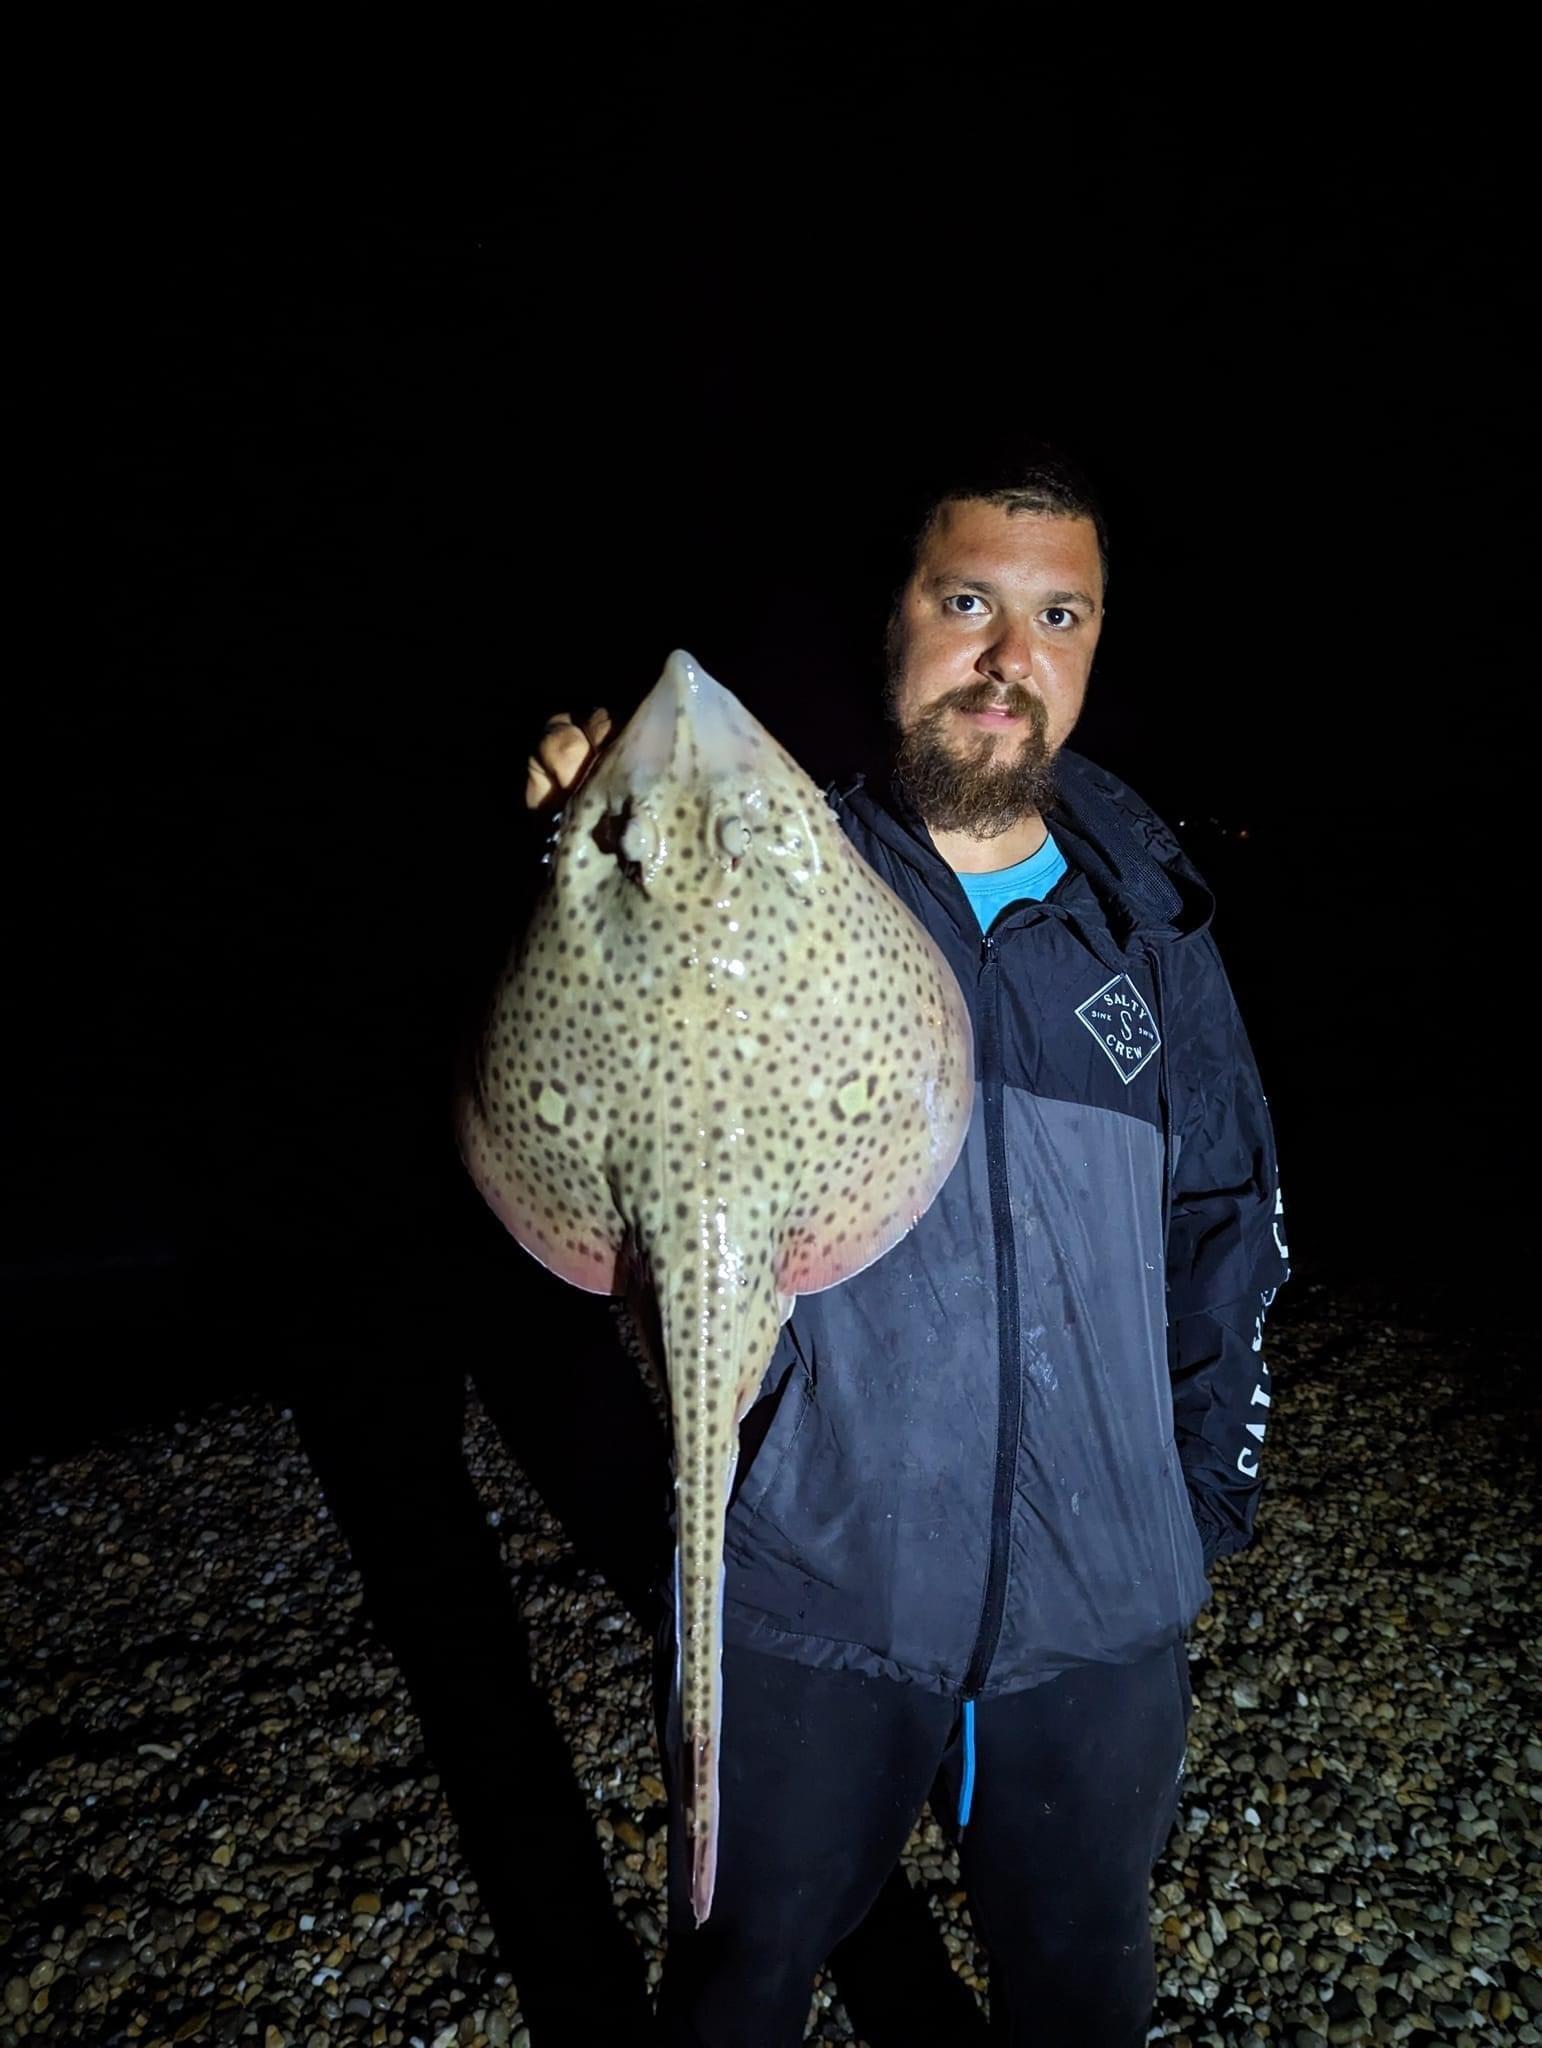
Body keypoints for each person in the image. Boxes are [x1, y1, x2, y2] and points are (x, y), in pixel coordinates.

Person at [523, 455, 1289, 2046]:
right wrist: (574, 836)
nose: (1009, 657)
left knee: (1083, 1994)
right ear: (892, 627)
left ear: (1089, 648)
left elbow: (1230, 1225)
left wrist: (1194, 1504)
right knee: (738, 1981)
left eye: (1055, 616)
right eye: (965, 603)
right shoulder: (801, 857)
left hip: (1097, 1616)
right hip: (812, 1597)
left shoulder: (1151, 929)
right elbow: (614, 1009)